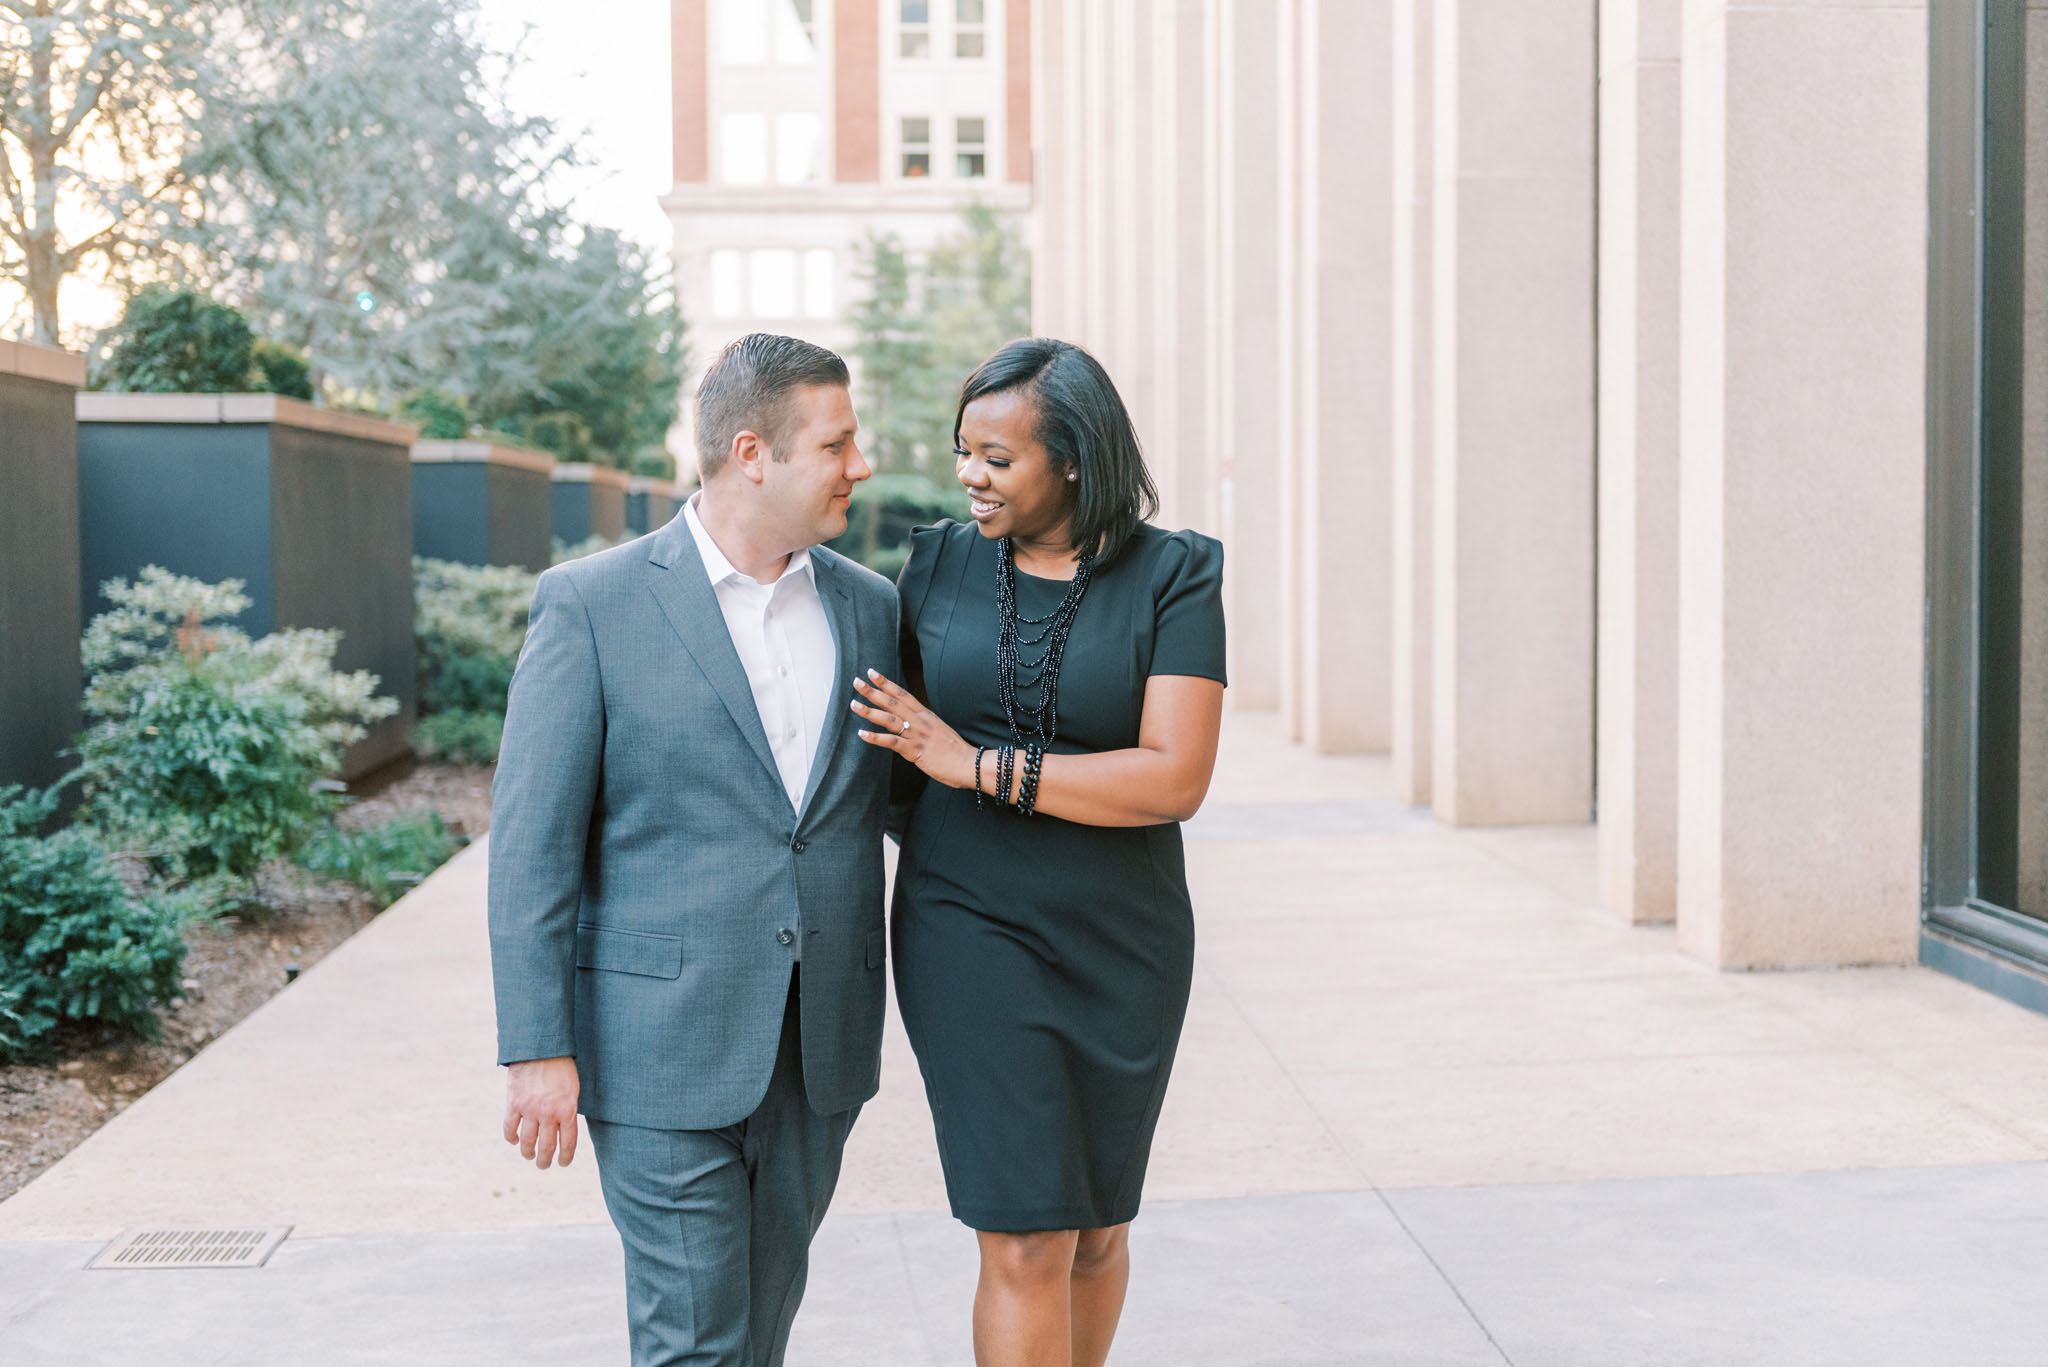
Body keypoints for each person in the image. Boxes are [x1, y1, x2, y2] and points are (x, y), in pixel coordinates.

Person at [488, 333, 899, 1367]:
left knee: (758, 1327)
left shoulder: (872, 609)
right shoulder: (591, 604)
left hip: (819, 1048)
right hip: (656, 1047)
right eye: (837, 443)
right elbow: (530, 845)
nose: (861, 464)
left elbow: (901, 805)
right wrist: (538, 1044)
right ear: (752, 451)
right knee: (695, 1341)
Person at [851, 337, 1228, 1367]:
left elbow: (1172, 777)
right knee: (1024, 1230)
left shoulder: (1175, 573)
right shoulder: (934, 561)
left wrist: (976, 766)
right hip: (967, 922)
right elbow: (884, 754)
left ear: (1072, 458)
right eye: (963, 449)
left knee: (1097, 1225)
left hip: (1123, 935)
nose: (969, 473)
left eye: (997, 457)